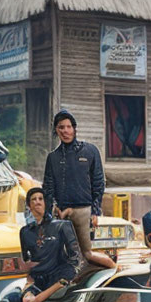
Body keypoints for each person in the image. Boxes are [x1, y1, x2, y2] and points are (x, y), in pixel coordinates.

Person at [42, 109, 116, 270]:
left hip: (84, 210)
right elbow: (47, 187)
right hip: (61, 212)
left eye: (69, 127)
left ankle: (114, 270)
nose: (65, 131)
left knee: (88, 253)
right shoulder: (53, 157)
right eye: (61, 127)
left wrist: (96, 212)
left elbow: (98, 183)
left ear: (74, 129)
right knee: (64, 254)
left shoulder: (90, 151)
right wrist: (50, 212)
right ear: (56, 130)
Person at [19, 187, 82, 302]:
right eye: (33, 199)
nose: (37, 201)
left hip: (59, 278)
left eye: (40, 199)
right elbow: (27, 261)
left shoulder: (62, 226)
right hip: (37, 282)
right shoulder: (24, 232)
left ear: (45, 203)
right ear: (28, 205)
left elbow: (75, 260)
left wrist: (38, 299)